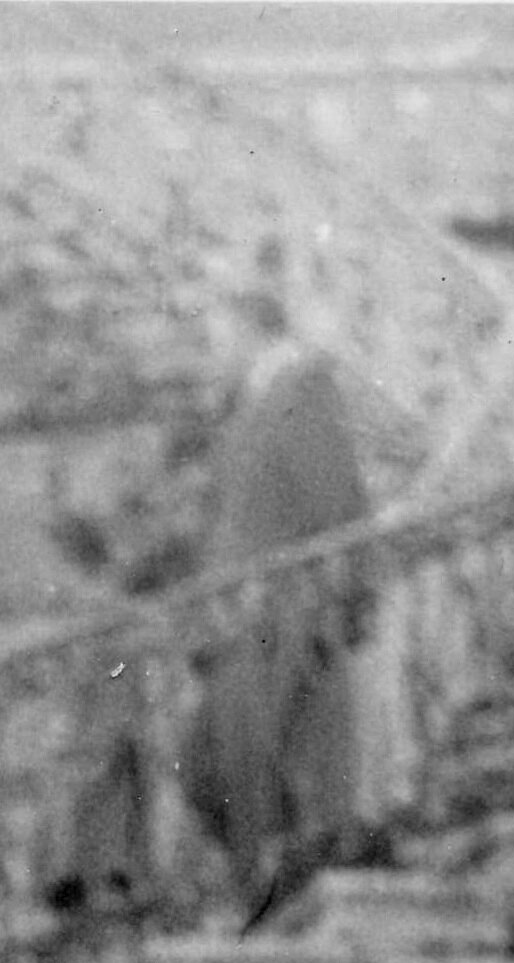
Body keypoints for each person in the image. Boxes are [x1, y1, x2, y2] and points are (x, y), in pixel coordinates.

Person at [179, 320, 374, 926]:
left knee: (267, 769)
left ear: (248, 327)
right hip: (237, 622)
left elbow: (339, 501)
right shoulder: (246, 407)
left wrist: (350, 599)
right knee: (212, 767)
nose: (211, 353)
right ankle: (262, 891)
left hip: (281, 614)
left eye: (216, 333)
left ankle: (272, 897)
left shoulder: (304, 391)